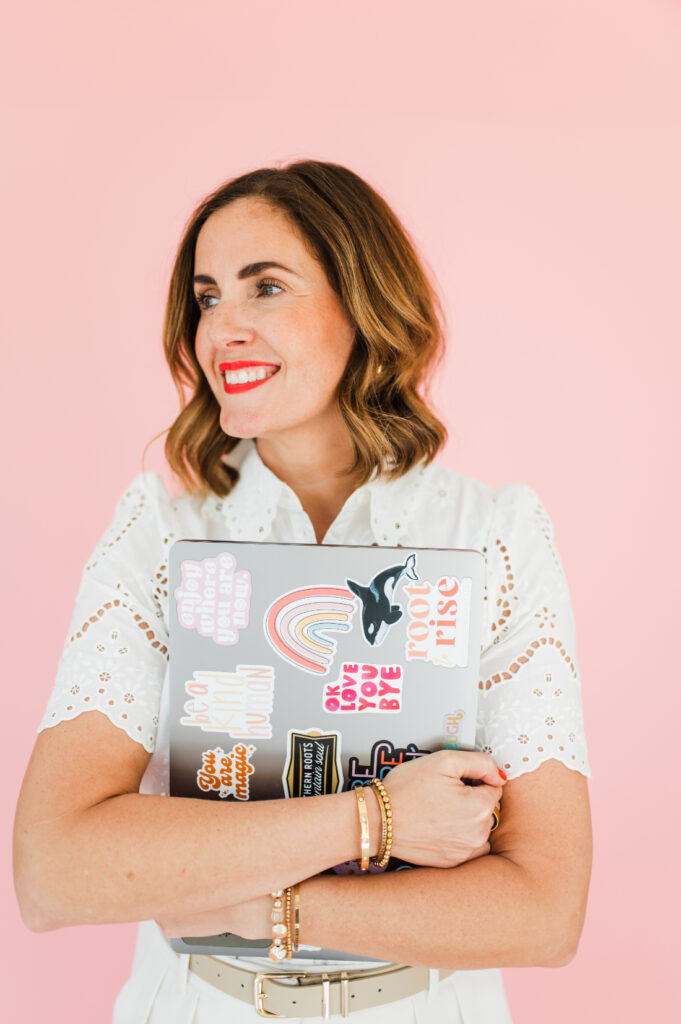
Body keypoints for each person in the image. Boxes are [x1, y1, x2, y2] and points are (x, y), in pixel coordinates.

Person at [13, 160, 593, 1023]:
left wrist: (266, 909)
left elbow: (542, 911)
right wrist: (377, 820)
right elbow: (54, 871)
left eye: (267, 287)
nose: (222, 329)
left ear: (362, 306)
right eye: (207, 297)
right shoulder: (163, 537)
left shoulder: (490, 535)